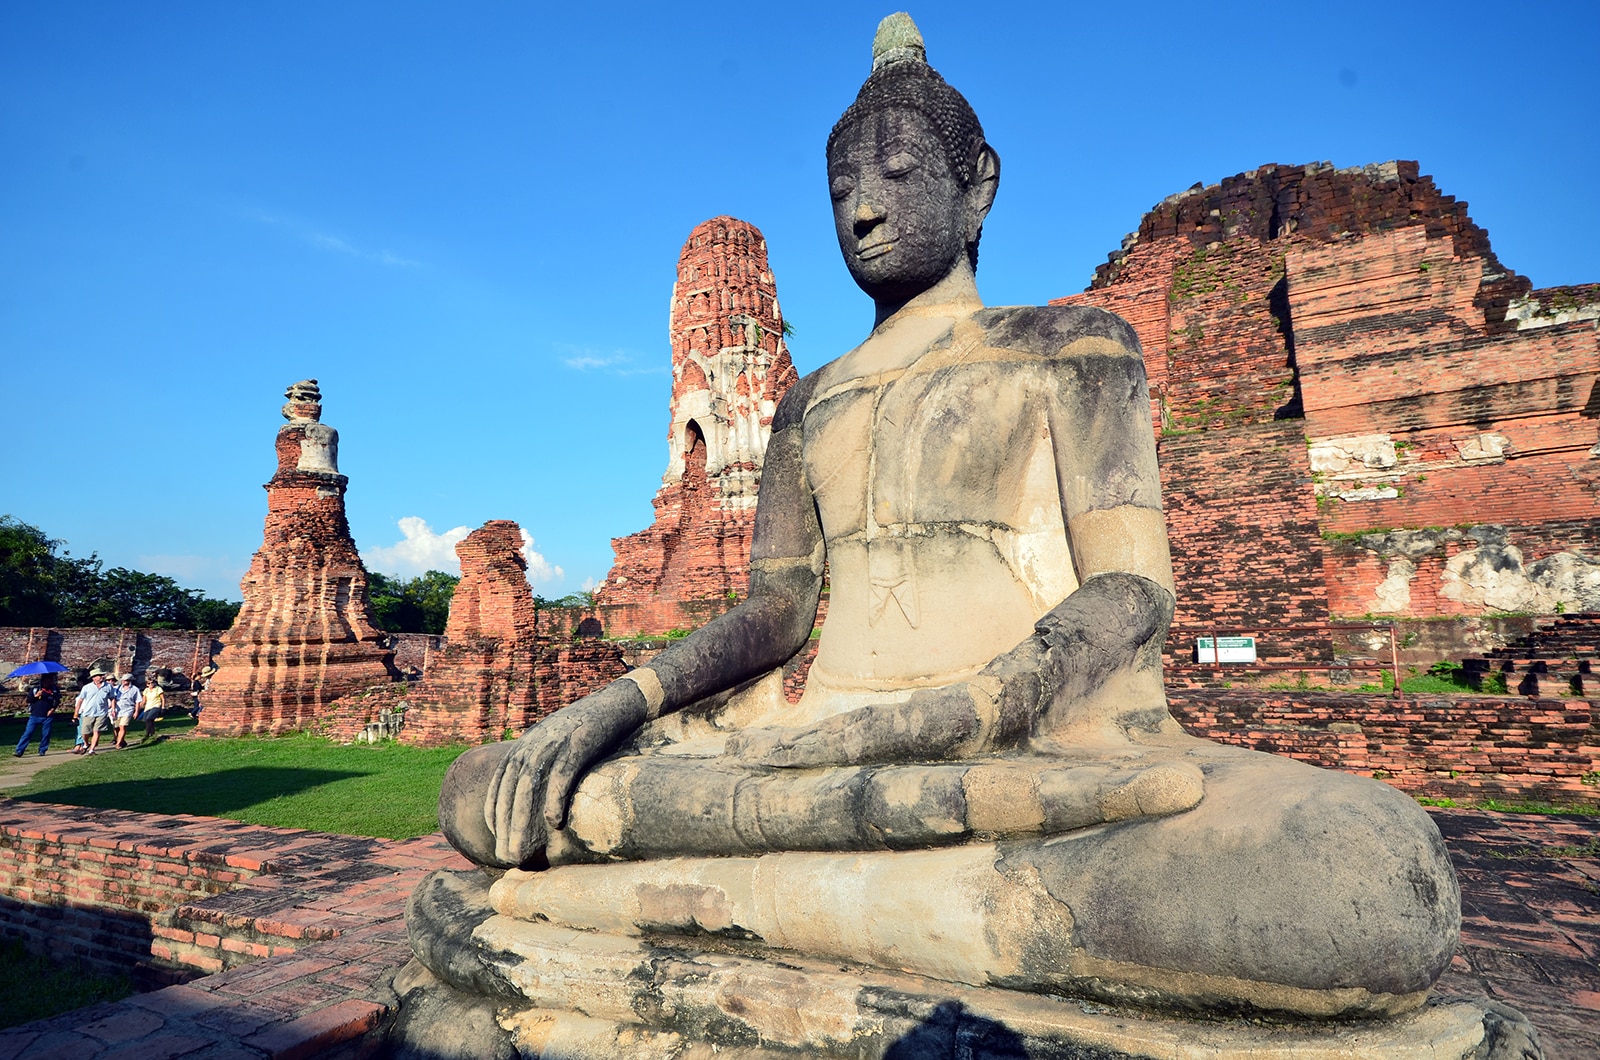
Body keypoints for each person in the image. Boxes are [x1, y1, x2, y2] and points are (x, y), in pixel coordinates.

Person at [423, 13, 1459, 1022]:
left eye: (898, 177)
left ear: (979, 186)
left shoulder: (1070, 345)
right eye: (840, 188)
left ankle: (662, 909)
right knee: (489, 790)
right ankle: (874, 913)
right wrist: (602, 710)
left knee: (1355, 878)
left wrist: (972, 707)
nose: (862, 210)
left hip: (1021, 743)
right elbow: (776, 614)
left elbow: (1133, 588)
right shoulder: (808, 401)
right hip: (812, 746)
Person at [13, 677, 59, 757]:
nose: (48, 682)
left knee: (46, 734)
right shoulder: (35, 689)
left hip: (47, 716)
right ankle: (19, 750)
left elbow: (57, 700)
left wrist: (52, 709)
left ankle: (42, 750)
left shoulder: (54, 689)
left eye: (49, 681)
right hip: (35, 715)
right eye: (46, 681)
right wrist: (36, 696)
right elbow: (28, 700)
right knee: (28, 733)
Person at [73, 670, 115, 755]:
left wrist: (113, 709)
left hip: (101, 713)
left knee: (97, 731)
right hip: (88, 713)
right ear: (94, 678)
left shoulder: (108, 687)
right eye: (99, 675)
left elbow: (112, 698)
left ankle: (92, 750)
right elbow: (80, 700)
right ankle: (85, 744)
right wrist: (76, 713)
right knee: (85, 732)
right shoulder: (87, 687)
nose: (102, 677)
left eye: (102, 675)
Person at [111, 673, 141, 749]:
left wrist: (136, 711)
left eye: (126, 680)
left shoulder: (135, 689)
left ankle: (118, 744)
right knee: (116, 727)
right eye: (123, 680)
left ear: (130, 680)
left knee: (122, 726)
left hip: (128, 709)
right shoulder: (118, 688)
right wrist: (113, 709)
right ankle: (122, 741)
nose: (124, 681)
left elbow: (137, 701)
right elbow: (113, 699)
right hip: (118, 710)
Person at [139, 675, 165, 742]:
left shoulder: (158, 689)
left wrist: (163, 707)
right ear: (147, 684)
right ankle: (152, 732)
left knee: (149, 718)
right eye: (149, 683)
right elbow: (144, 700)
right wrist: (138, 708)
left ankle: (147, 733)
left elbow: (163, 698)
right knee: (147, 720)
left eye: (152, 683)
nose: (151, 684)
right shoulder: (146, 690)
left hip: (156, 705)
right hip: (148, 707)